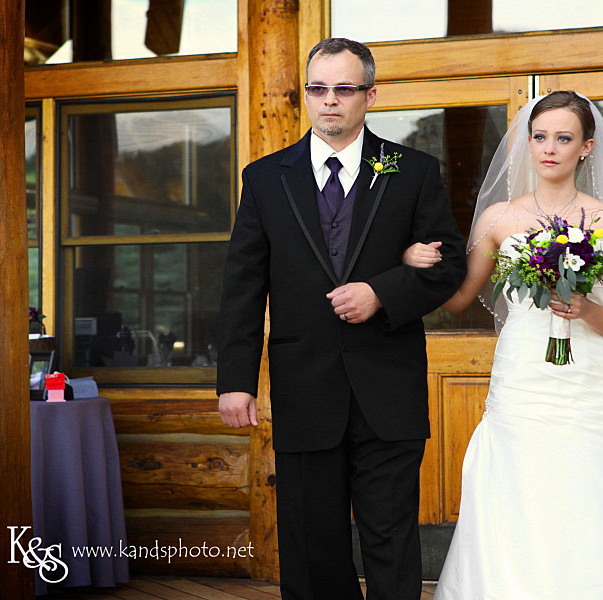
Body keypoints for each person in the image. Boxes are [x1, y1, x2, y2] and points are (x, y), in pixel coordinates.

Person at [403, 91, 603, 599]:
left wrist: (586, 309)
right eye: (540, 137)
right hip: (523, 378)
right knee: (520, 487)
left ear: (587, 146)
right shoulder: (500, 218)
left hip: (588, 381)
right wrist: (411, 260)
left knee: (593, 486)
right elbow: (458, 300)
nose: (549, 148)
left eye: (564, 138)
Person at [215, 38, 466, 600]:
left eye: (344, 90)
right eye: (318, 89)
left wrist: (381, 291)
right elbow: (243, 285)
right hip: (305, 385)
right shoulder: (264, 179)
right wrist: (235, 380)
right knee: (311, 539)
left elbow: (450, 263)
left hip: (388, 386)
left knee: (390, 533)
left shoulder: (412, 170)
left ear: (370, 96)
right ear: (307, 95)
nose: (330, 101)